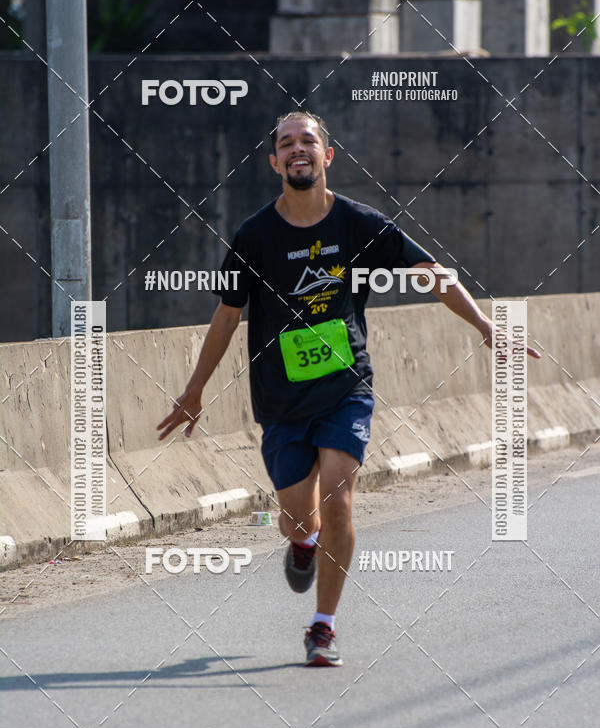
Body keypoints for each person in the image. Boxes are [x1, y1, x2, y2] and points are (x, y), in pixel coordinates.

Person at [157, 110, 539, 667]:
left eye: (307, 140)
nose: (297, 149)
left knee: (339, 498)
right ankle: (301, 542)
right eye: (285, 143)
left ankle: (323, 625)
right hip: (281, 401)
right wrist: (193, 392)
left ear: (327, 155)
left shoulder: (360, 224)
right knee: (297, 515)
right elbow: (226, 315)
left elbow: (428, 271)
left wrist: (484, 326)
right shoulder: (254, 236)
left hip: (346, 388)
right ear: (274, 162)